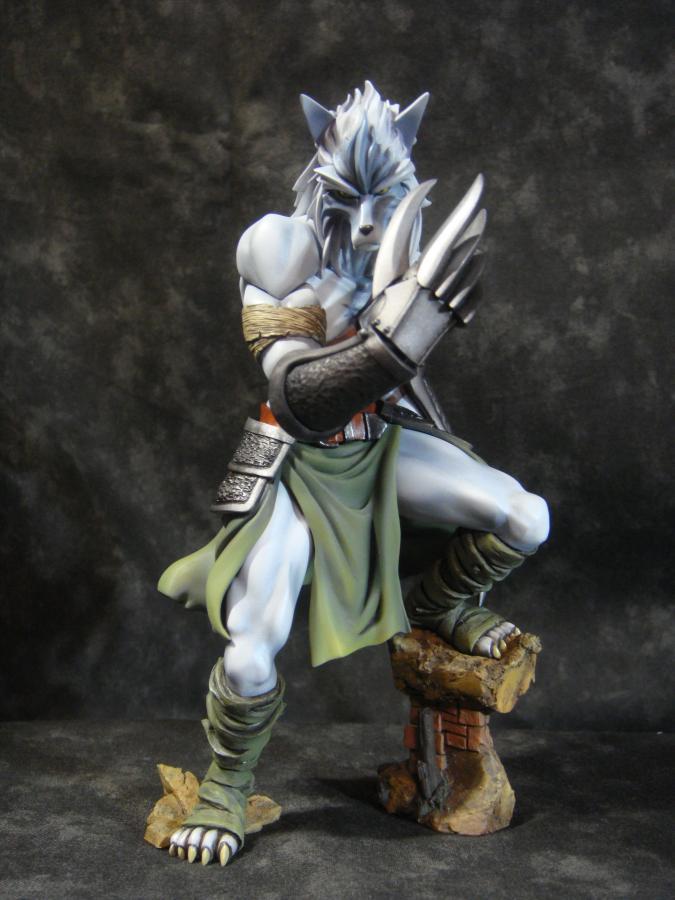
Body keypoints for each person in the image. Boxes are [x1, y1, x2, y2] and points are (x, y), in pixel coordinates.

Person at [158, 81, 549, 866]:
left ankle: (438, 603)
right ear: (318, 179)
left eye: (385, 197)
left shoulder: (399, 248)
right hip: (293, 463)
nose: (367, 221)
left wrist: (400, 328)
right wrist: (392, 344)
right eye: (349, 197)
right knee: (253, 644)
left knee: (524, 515)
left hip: (378, 446)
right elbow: (295, 392)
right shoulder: (278, 247)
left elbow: (385, 375)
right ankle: (225, 789)